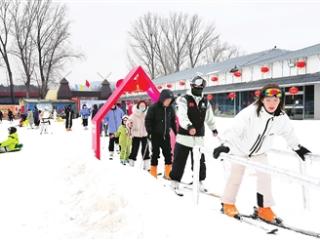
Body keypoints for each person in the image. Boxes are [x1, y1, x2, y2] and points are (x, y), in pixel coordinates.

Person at [213, 83, 311, 223]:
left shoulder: (280, 117)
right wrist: (226, 145)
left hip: (260, 152)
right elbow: (234, 130)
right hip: (240, 150)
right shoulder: (250, 113)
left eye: (276, 100)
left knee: (265, 177)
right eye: (268, 100)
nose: (272, 104)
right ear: (262, 100)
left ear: (280, 101)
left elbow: (288, 132)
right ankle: (227, 203)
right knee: (236, 177)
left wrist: (296, 147)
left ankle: (264, 208)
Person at [169, 75, 218, 192]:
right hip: (184, 137)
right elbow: (182, 115)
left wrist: (213, 128)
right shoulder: (184, 99)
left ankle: (199, 181)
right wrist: (189, 126)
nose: (200, 89)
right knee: (180, 160)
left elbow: (209, 117)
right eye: (197, 86)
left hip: (199, 137)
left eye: (202, 87)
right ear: (191, 86)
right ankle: (175, 181)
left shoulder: (205, 101)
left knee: (200, 161)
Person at [145, 89, 177, 179]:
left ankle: (168, 173)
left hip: (166, 135)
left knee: (168, 155)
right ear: (162, 99)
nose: (168, 102)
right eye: (167, 100)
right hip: (155, 135)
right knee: (155, 154)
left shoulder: (170, 109)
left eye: (170, 101)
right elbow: (148, 121)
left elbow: (173, 121)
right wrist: (149, 132)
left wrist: (176, 132)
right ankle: (153, 173)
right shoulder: (153, 108)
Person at [128, 100, 150, 169]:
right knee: (134, 149)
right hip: (136, 135)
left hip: (144, 134)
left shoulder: (147, 115)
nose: (142, 107)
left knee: (146, 150)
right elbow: (129, 124)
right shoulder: (134, 115)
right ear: (138, 106)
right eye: (141, 106)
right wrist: (131, 131)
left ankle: (146, 164)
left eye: (144, 106)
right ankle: (131, 163)